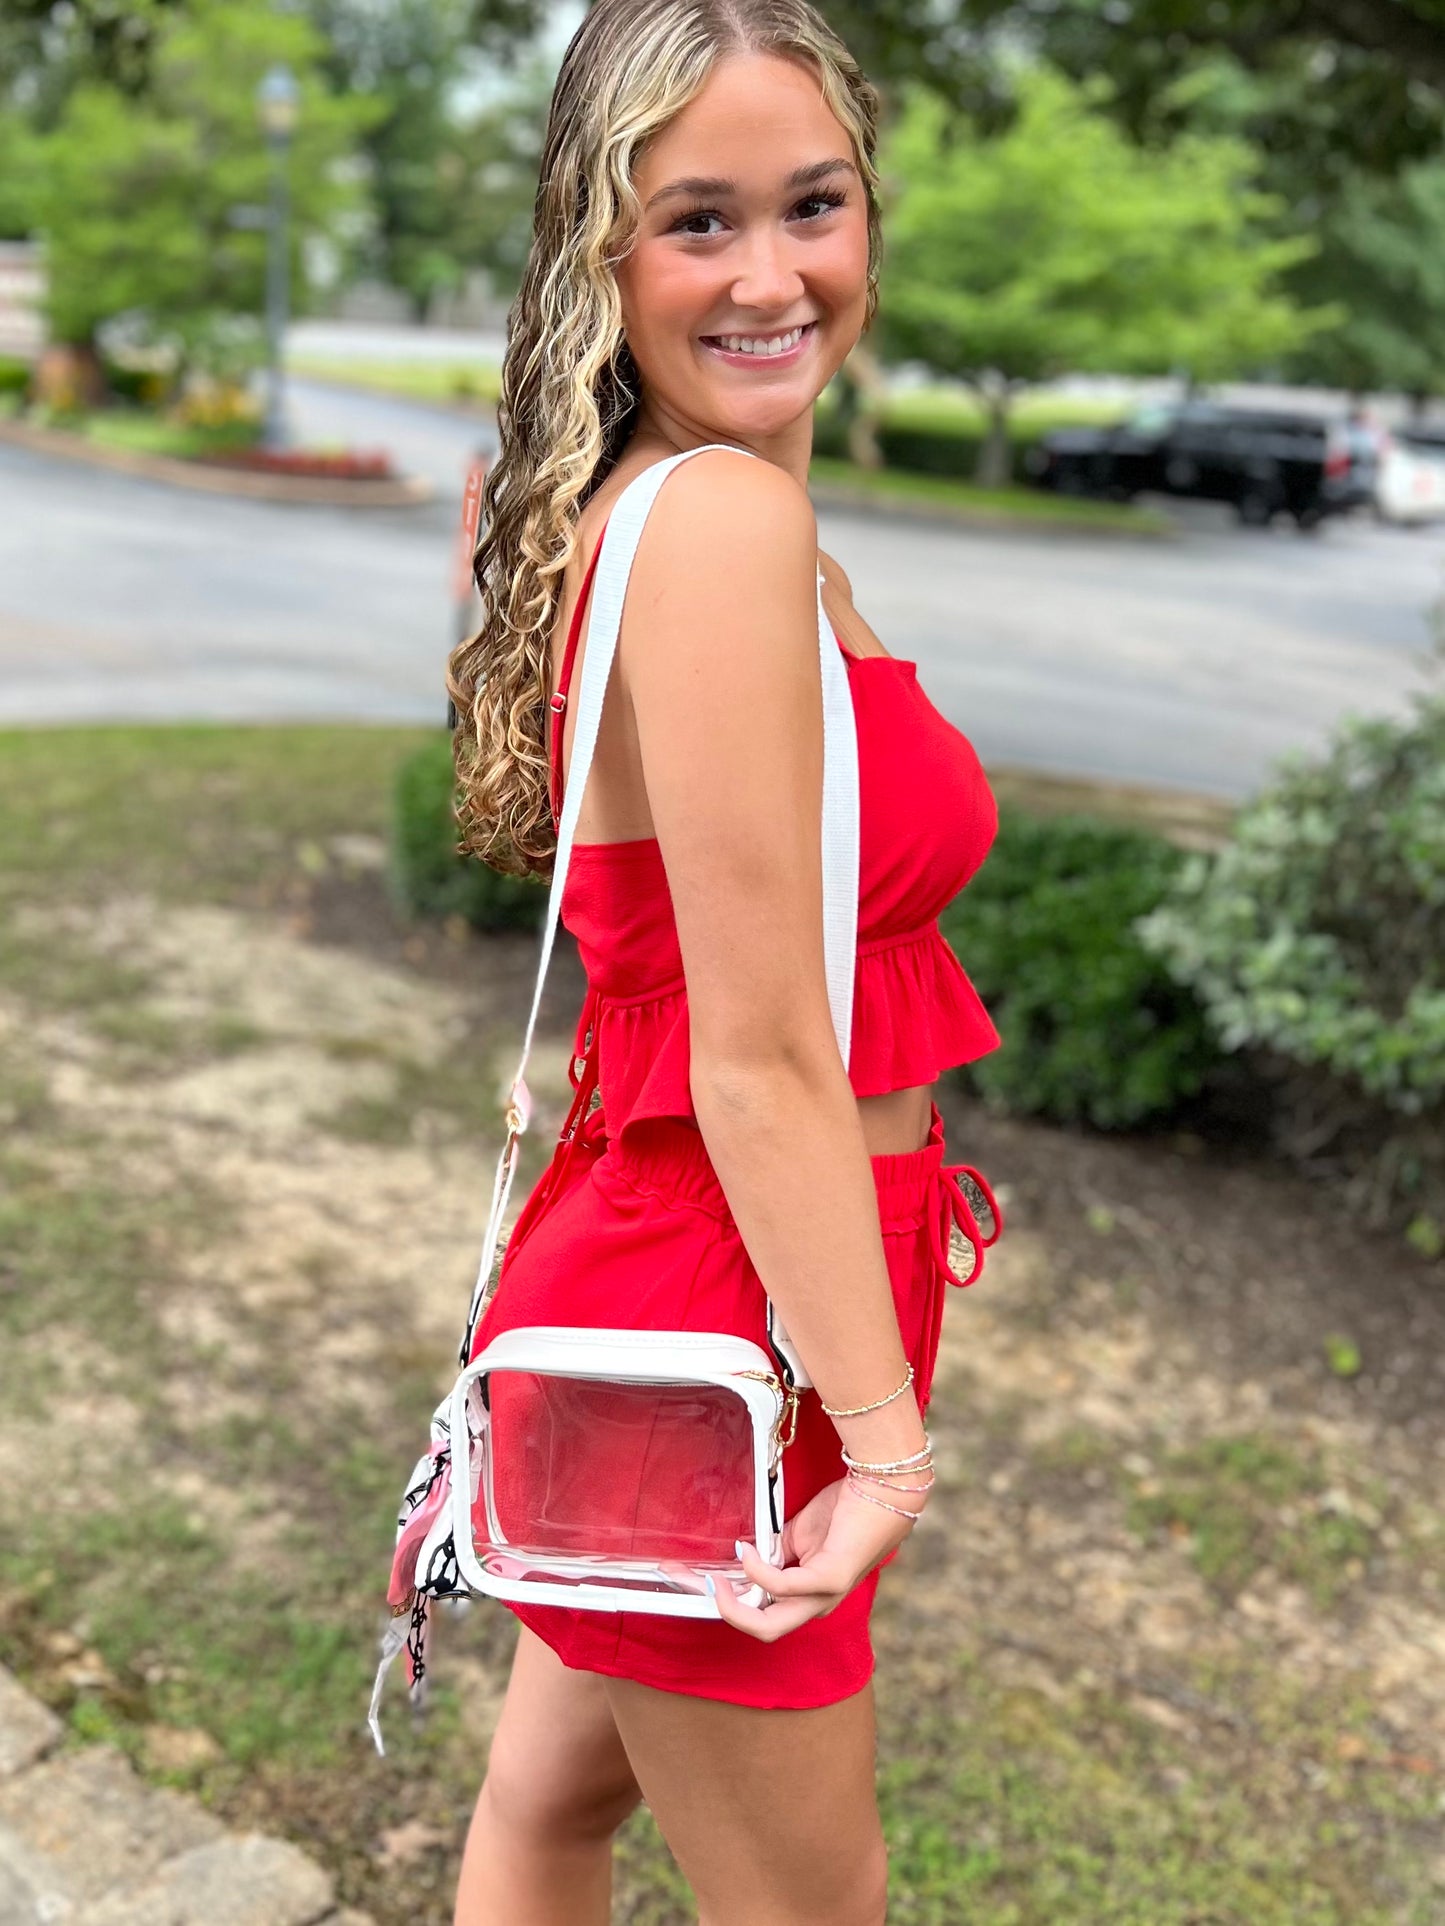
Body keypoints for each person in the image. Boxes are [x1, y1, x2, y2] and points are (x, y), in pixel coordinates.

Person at [442, 4, 1003, 1920]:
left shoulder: (717, 507)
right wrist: (884, 1441)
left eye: (813, 204)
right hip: (731, 1294)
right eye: (697, 221)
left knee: (549, 1804)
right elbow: (763, 1053)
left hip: (742, 1266)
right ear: (603, 254)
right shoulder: (723, 524)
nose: (771, 274)